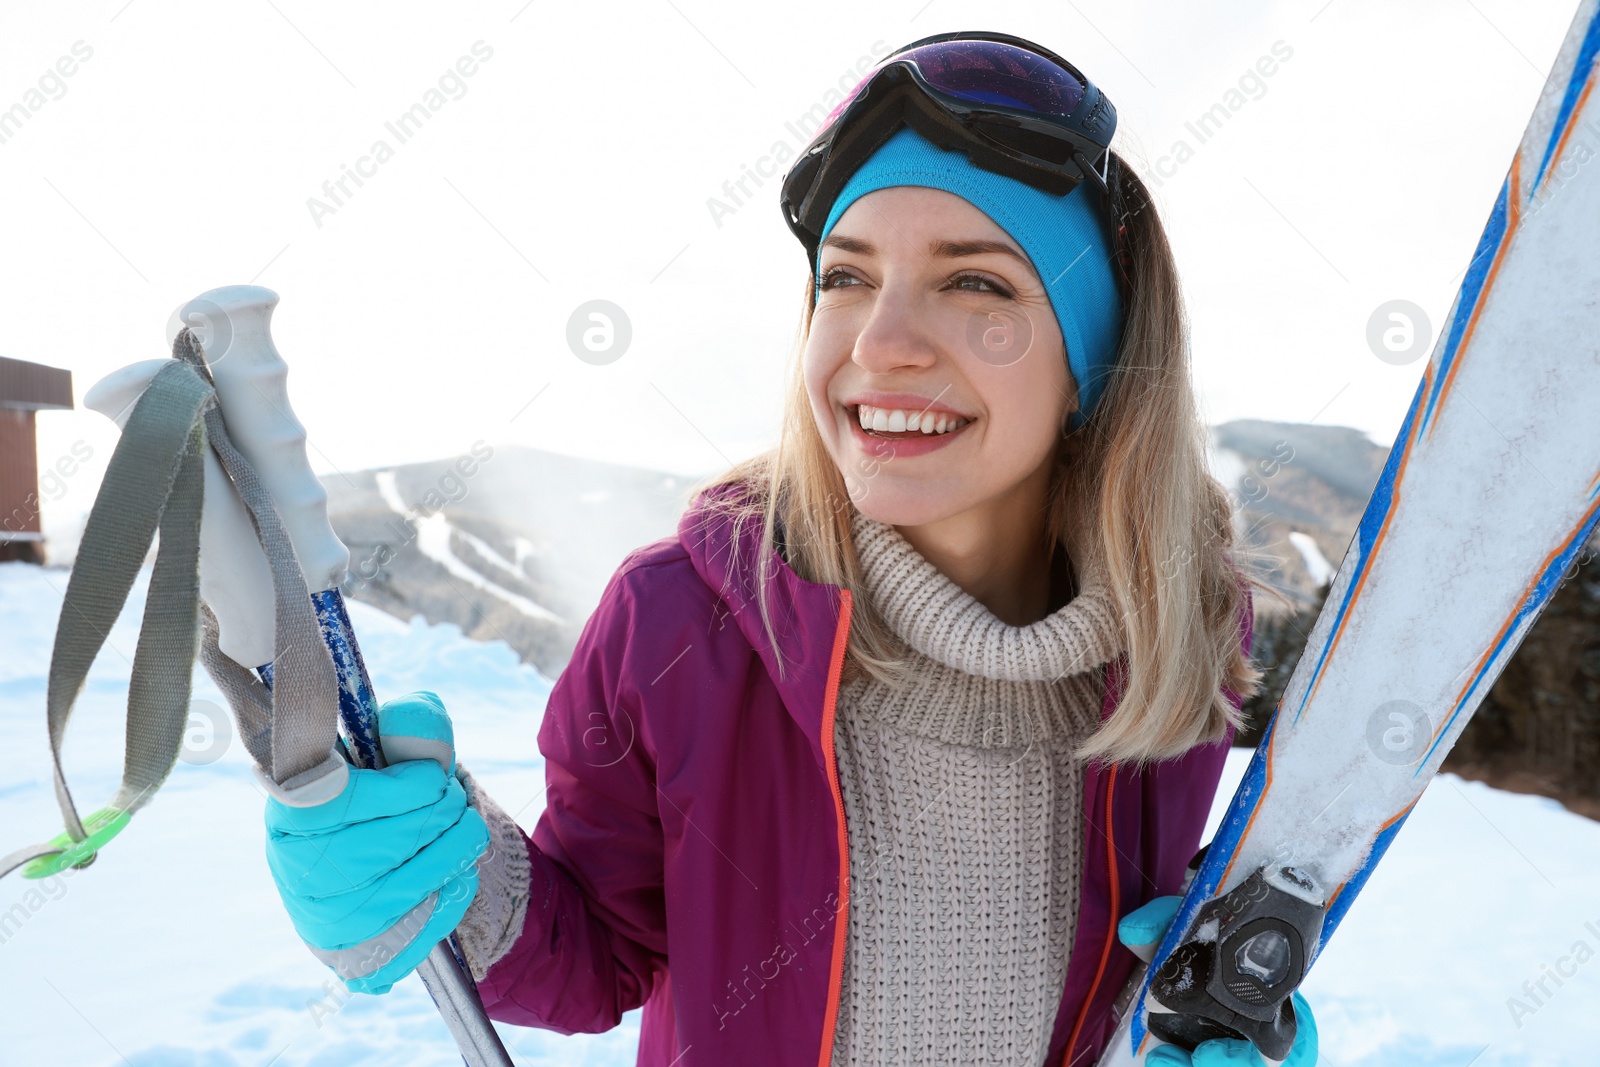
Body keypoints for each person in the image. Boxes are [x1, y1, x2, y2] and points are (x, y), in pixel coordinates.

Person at [260, 32, 1317, 1067]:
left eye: (975, 283)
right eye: (845, 279)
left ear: (1095, 356)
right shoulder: (681, 622)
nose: (879, 341)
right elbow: (598, 954)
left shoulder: (1172, 629)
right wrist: (441, 885)